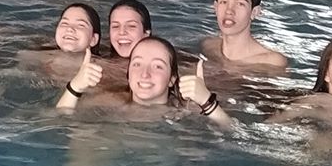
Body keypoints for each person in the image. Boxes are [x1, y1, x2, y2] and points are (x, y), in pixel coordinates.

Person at [56, 36, 231, 128]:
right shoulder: (109, 101)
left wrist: (207, 102)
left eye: (158, 66)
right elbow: (59, 120)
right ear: (128, 74)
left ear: (172, 80)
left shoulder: (185, 110)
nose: (145, 74)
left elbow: (231, 132)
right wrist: (75, 87)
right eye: (137, 64)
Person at [200, 0, 287, 71]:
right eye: (223, 2)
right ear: (215, 7)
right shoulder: (208, 46)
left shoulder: (271, 62)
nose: (229, 10)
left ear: (254, 12)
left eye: (240, 4)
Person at [18, 2, 102, 82]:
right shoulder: (32, 57)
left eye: (81, 25)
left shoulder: (103, 71)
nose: (69, 28)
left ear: (93, 39)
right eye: (64, 23)